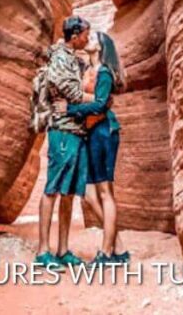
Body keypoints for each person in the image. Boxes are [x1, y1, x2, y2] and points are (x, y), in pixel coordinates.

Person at [53, 31, 129, 264]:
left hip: (104, 131)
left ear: (102, 48)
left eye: (94, 39)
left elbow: (98, 105)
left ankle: (107, 253)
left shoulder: (104, 72)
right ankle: (119, 248)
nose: (89, 40)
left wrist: (70, 110)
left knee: (106, 192)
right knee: (87, 192)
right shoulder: (87, 69)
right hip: (90, 133)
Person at [34, 16, 90, 269]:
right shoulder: (60, 59)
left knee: (67, 194)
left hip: (75, 131)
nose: (88, 38)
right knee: (53, 189)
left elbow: (77, 98)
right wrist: (99, 98)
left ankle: (63, 249)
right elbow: (75, 95)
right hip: (63, 132)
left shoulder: (73, 59)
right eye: (85, 34)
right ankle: (42, 251)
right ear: (75, 35)